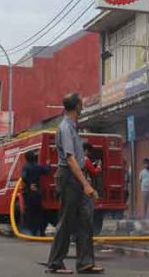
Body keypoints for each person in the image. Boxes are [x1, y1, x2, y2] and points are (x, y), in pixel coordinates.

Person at [46, 93, 102, 274]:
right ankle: (55, 263)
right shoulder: (65, 128)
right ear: (77, 105)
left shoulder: (72, 127)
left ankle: (85, 262)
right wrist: (85, 184)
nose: (83, 105)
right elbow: (70, 159)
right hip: (70, 177)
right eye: (81, 103)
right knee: (68, 220)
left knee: (85, 218)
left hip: (76, 176)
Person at [21, 150, 51, 237]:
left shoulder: (26, 167)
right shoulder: (39, 166)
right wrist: (48, 164)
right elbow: (47, 171)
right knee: (39, 212)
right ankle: (41, 231)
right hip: (38, 192)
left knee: (30, 213)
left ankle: (32, 232)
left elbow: (23, 177)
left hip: (29, 193)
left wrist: (29, 184)